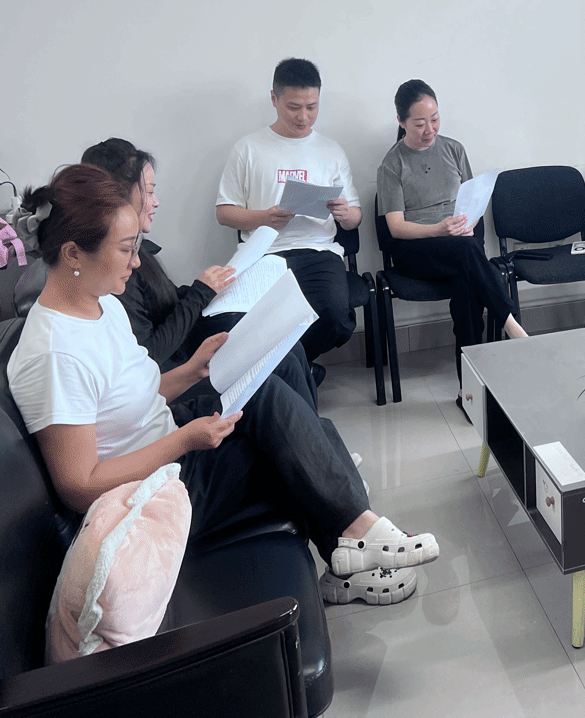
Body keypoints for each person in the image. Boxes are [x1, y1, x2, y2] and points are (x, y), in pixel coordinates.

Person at [7, 165, 438, 607]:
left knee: (277, 400)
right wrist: (183, 441)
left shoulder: (100, 304)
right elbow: (79, 485)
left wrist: (193, 369)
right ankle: (355, 541)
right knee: (293, 449)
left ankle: (353, 540)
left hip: (163, 441)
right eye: (125, 249)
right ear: (73, 254)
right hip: (150, 490)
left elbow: (132, 394)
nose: (136, 261)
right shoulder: (54, 355)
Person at [81, 137, 318, 409]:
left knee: (288, 347)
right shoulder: (116, 269)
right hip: (177, 374)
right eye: (149, 192)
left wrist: (212, 288)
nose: (156, 202)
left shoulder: (138, 251)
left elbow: (163, 304)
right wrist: (200, 293)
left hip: (188, 352)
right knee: (282, 363)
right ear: (120, 194)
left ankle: (315, 432)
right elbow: (151, 354)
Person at [377, 80, 527, 410]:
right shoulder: (392, 164)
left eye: (434, 119)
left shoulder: (454, 149)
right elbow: (395, 227)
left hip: (458, 247)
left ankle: (467, 393)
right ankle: (512, 325)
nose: (429, 129)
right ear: (401, 121)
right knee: (468, 254)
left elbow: (474, 199)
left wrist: (468, 222)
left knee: (467, 285)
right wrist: (437, 229)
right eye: (420, 123)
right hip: (414, 249)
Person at [216, 58, 361, 381]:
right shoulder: (248, 149)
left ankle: (284, 369)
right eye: (294, 107)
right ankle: (293, 372)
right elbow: (224, 212)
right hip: (265, 253)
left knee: (338, 319)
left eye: (312, 107)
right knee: (247, 324)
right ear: (274, 99)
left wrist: (345, 214)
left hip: (319, 251)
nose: (303, 117)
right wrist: (263, 217)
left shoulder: (331, 150)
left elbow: (354, 218)